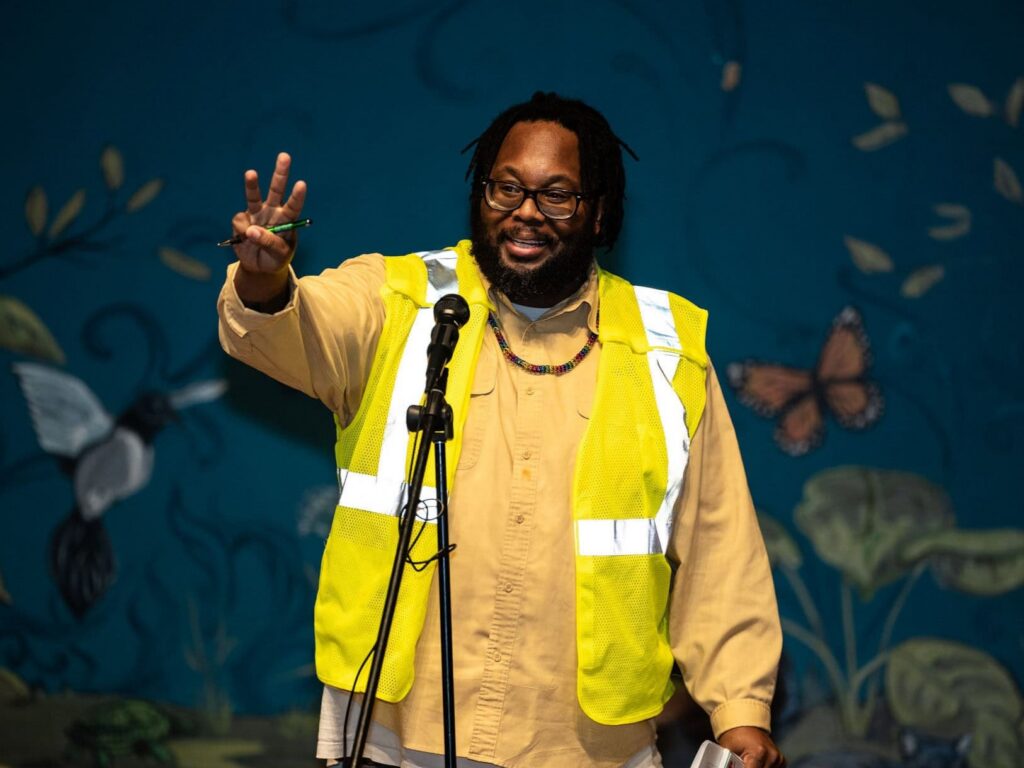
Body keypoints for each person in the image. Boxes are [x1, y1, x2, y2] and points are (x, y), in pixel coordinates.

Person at [217, 92, 784, 768]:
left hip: (587, 750)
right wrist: (267, 281)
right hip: (396, 735)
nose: (524, 212)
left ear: (599, 214)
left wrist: (740, 710)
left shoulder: (668, 354)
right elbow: (291, 329)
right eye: (506, 188)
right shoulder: (402, 302)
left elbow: (720, 550)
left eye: (557, 196)